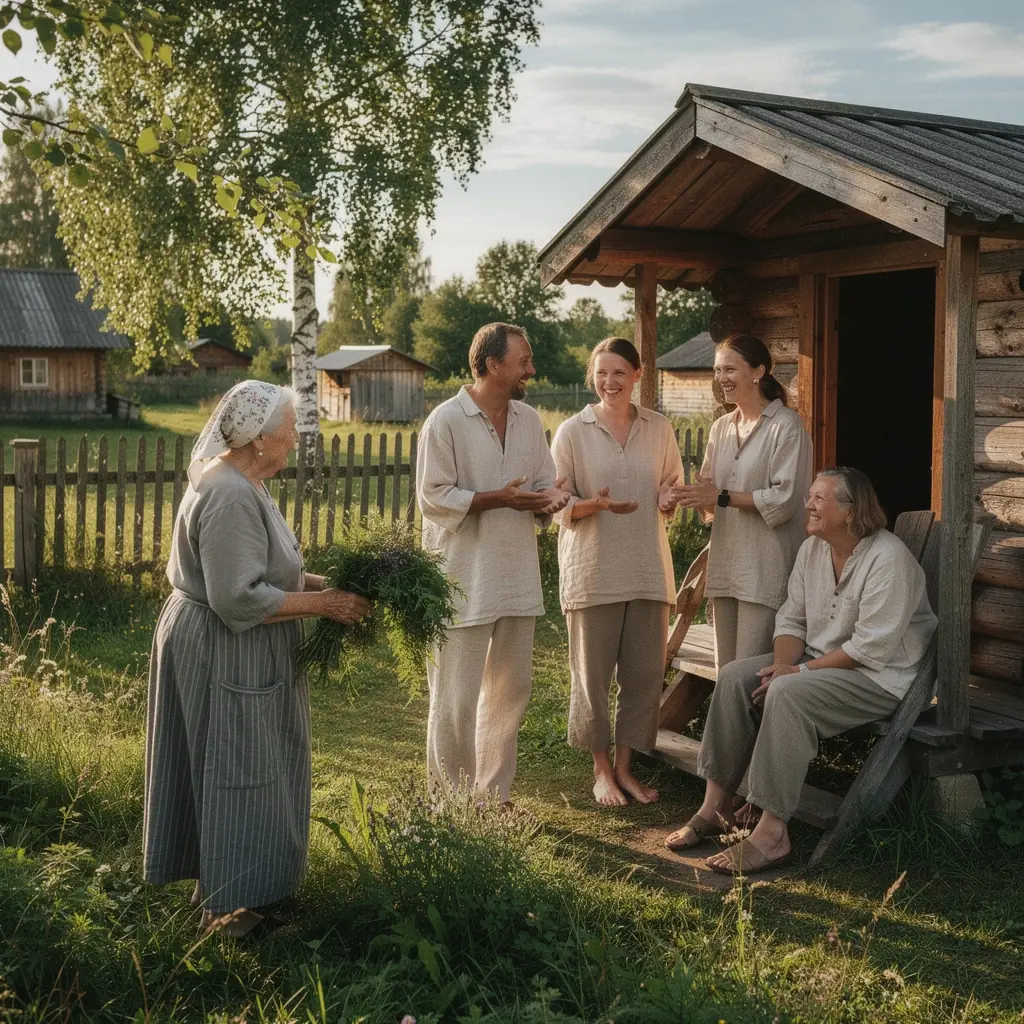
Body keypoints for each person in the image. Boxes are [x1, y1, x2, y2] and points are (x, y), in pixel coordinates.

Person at [144, 381, 371, 937]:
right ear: (259, 438)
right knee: (235, 767)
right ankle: (228, 916)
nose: (295, 438)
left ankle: (222, 890)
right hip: (225, 646)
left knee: (236, 762)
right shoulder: (229, 494)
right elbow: (237, 596)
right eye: (289, 429)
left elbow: (268, 570)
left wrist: (328, 585)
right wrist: (325, 605)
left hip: (232, 642)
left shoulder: (247, 482)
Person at [665, 468, 937, 873]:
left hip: (880, 677)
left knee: (787, 693)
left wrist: (798, 673)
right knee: (737, 677)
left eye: (818, 498)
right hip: (822, 661)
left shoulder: (888, 559)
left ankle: (772, 833)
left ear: (850, 510)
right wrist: (782, 666)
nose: (807, 505)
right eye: (809, 496)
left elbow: (869, 648)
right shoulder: (813, 550)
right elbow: (792, 620)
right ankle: (716, 806)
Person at [416, 323, 569, 803]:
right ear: (492, 364)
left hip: (516, 576)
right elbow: (433, 497)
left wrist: (550, 499)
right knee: (455, 700)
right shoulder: (445, 421)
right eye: (523, 361)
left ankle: (491, 797)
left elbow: (544, 480)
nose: (532, 369)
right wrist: (498, 499)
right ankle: (451, 805)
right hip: (461, 578)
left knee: (509, 693)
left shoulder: (528, 419)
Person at [551, 337, 685, 807]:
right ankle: (601, 771)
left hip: (648, 568)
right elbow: (556, 502)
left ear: (637, 376)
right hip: (592, 572)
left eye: (619, 373)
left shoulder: (659, 428)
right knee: (592, 679)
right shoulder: (572, 431)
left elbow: (671, 485)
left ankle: (626, 767)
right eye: (601, 373)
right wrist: (593, 504)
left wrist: (668, 497)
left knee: (644, 675)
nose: (609, 382)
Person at [676, 334, 812, 669]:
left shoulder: (786, 426)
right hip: (725, 567)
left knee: (751, 675)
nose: (721, 378)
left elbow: (784, 501)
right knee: (726, 673)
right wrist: (687, 496)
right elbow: (710, 498)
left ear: (758, 372)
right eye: (717, 370)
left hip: (765, 569)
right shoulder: (721, 427)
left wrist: (720, 497)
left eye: (729, 369)